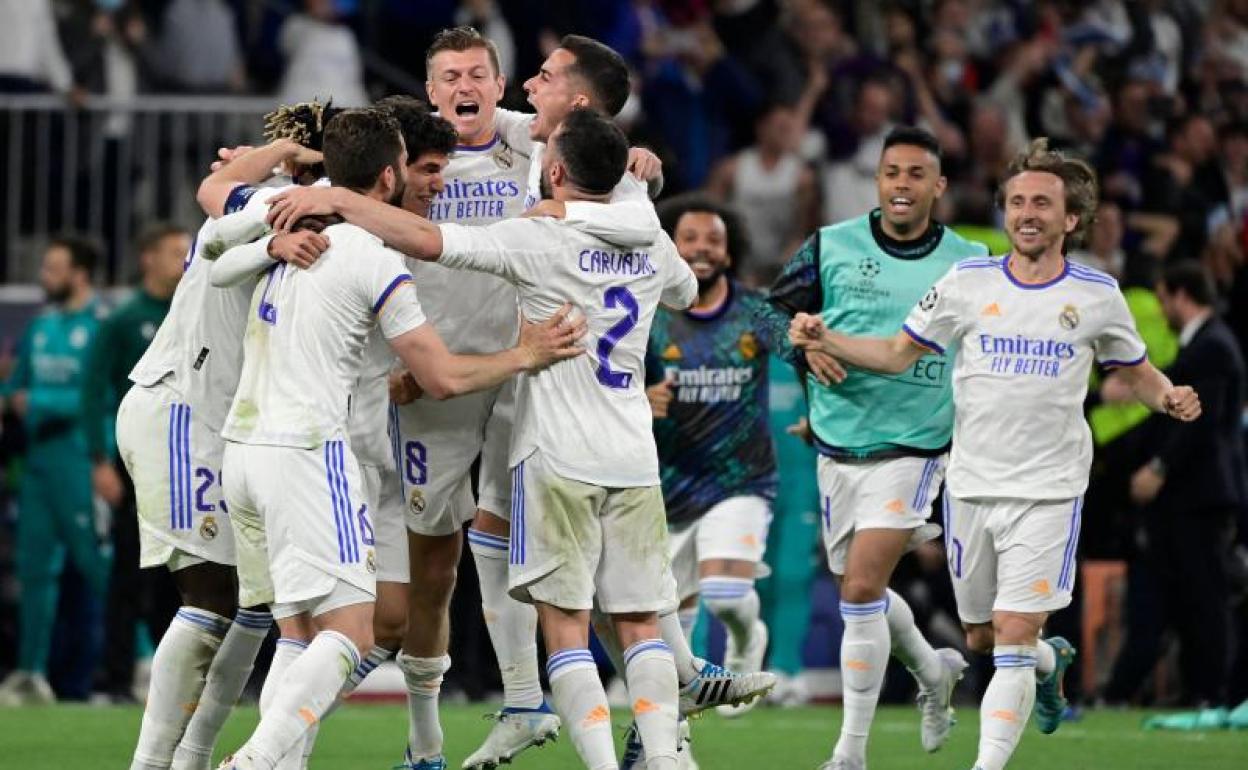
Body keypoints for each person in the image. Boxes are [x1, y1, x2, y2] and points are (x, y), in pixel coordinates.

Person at [790, 138, 1202, 770]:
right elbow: (899, 354)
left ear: (1071, 219)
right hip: (971, 486)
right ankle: (1048, 660)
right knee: (985, 635)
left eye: (1042, 202)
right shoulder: (966, 281)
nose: (1027, 213)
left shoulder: (1096, 294)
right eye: (1016, 202)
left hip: (1049, 489)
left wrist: (1167, 395)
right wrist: (829, 339)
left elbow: (1136, 368)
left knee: (1010, 631)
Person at [210, 106, 583, 770]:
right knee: (351, 632)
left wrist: (274, 187)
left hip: (249, 447)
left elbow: (215, 232)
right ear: (390, 174)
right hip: (316, 453)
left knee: (310, 631)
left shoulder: (288, 216)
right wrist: (525, 354)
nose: (437, 184)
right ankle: (252, 761)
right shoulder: (366, 252)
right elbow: (441, 376)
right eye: (425, 169)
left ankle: (277, 759)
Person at [117, 102, 337, 770]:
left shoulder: (299, 197)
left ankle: (194, 759)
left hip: (227, 421)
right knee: (211, 594)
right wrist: (283, 162)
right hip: (182, 408)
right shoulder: (278, 201)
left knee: (257, 599)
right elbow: (216, 221)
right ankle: (154, 764)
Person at [759, 126, 986, 770]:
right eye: (892, 173)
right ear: (878, 181)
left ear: (938, 186)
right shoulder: (831, 245)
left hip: (915, 444)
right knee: (861, 586)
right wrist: (802, 349)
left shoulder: (968, 261)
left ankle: (849, 753)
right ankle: (932, 670)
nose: (902, 185)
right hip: (838, 443)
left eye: (917, 174)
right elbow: (769, 316)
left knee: (858, 588)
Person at [643, 194, 781, 722]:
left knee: (725, 593)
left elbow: (807, 354)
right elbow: (606, 379)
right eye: (691, 239)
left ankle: (747, 640)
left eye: (714, 240)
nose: (702, 250)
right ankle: (674, 737)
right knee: (666, 624)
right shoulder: (649, 311)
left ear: (731, 250)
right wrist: (639, 398)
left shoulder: (754, 312)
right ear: (670, 247)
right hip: (665, 485)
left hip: (740, 480)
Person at [1111, 262, 1244, 718]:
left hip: (1201, 495)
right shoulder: (1208, 345)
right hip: (1189, 498)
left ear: (1181, 294)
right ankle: (1197, 690)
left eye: (1164, 298)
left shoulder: (1212, 348)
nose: (1162, 308)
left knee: (1206, 595)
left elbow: (1199, 424)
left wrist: (1159, 467)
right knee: (1189, 595)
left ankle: (1213, 691)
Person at [82, 223, 191, 704]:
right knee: (128, 574)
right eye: (174, 252)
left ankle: (176, 683)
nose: (184, 261)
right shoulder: (125, 319)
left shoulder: (193, 312)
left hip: (187, 462)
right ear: (147, 257)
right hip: (137, 463)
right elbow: (92, 390)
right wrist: (99, 461)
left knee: (183, 576)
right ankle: (115, 679)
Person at [0, 236, 109, 706]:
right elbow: (14, 386)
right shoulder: (41, 327)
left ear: (79, 274)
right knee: (34, 570)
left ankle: (142, 661)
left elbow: (104, 397)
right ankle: (30, 673)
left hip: (81, 456)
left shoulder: (102, 326)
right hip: (40, 463)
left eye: (53, 268)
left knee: (100, 566)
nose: (45, 277)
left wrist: (38, 401)